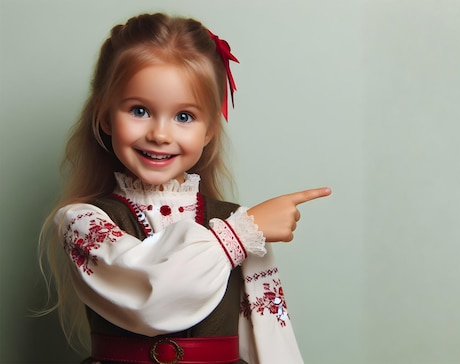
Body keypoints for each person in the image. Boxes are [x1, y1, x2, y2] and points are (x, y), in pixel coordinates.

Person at [38, 12, 331, 364]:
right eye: (139, 110)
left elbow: (270, 336)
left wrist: (245, 230)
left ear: (208, 130)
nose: (160, 134)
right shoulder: (82, 222)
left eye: (184, 116)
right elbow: (151, 296)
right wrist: (238, 235)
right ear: (104, 116)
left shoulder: (241, 222)